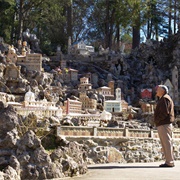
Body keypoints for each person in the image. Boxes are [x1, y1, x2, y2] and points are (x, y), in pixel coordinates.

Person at [154, 85, 175, 167]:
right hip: (163, 123)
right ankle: (168, 161)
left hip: (164, 124)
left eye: (158, 90)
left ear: (162, 91)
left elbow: (164, 112)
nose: (156, 91)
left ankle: (169, 162)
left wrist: (157, 120)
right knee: (166, 142)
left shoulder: (165, 99)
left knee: (166, 142)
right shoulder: (164, 98)